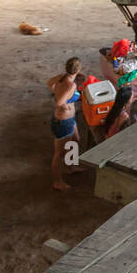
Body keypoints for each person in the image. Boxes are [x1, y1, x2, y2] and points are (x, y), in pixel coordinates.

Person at [47, 57, 82, 191]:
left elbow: (49, 83)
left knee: (76, 140)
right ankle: (57, 182)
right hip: (63, 121)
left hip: (69, 120)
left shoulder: (61, 77)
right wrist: (65, 106)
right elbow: (59, 103)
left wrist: (55, 90)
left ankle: (71, 166)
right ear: (78, 70)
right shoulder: (71, 85)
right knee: (59, 153)